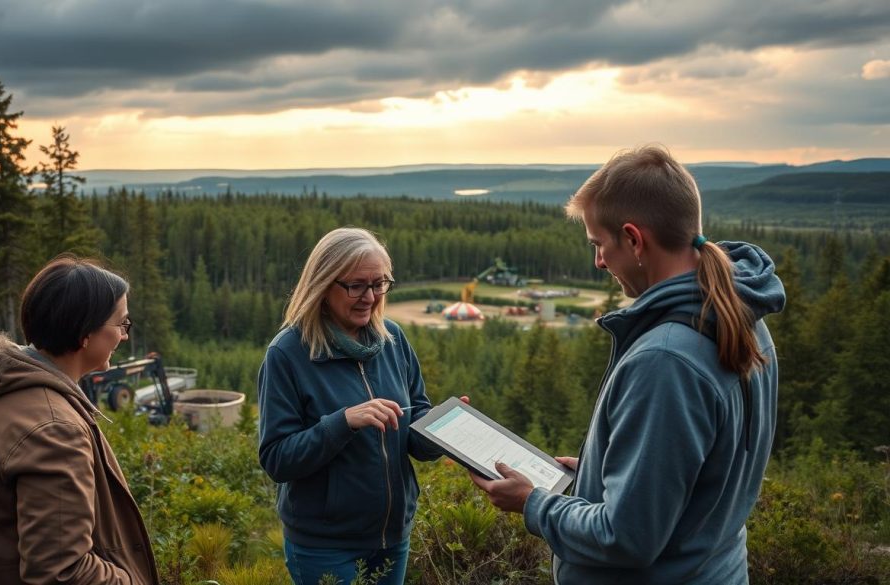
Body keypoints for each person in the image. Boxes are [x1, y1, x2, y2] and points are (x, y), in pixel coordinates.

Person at [470, 145, 785, 584]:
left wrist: (534, 502)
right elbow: (705, 477)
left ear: (635, 240)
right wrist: (601, 475)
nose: (598, 261)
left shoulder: (666, 361)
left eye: (599, 244)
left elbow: (626, 539)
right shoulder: (741, 317)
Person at [0, 255, 158, 585]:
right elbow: (62, 572)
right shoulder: (53, 429)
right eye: (121, 324)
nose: (124, 336)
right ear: (85, 333)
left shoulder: (5, 392)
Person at [258, 227, 445, 585]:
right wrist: (343, 422)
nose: (370, 297)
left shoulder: (393, 340)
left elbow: (414, 419)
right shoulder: (288, 353)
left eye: (379, 284)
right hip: (324, 547)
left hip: (393, 538)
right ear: (324, 285)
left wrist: (440, 430)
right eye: (357, 285)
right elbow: (277, 459)